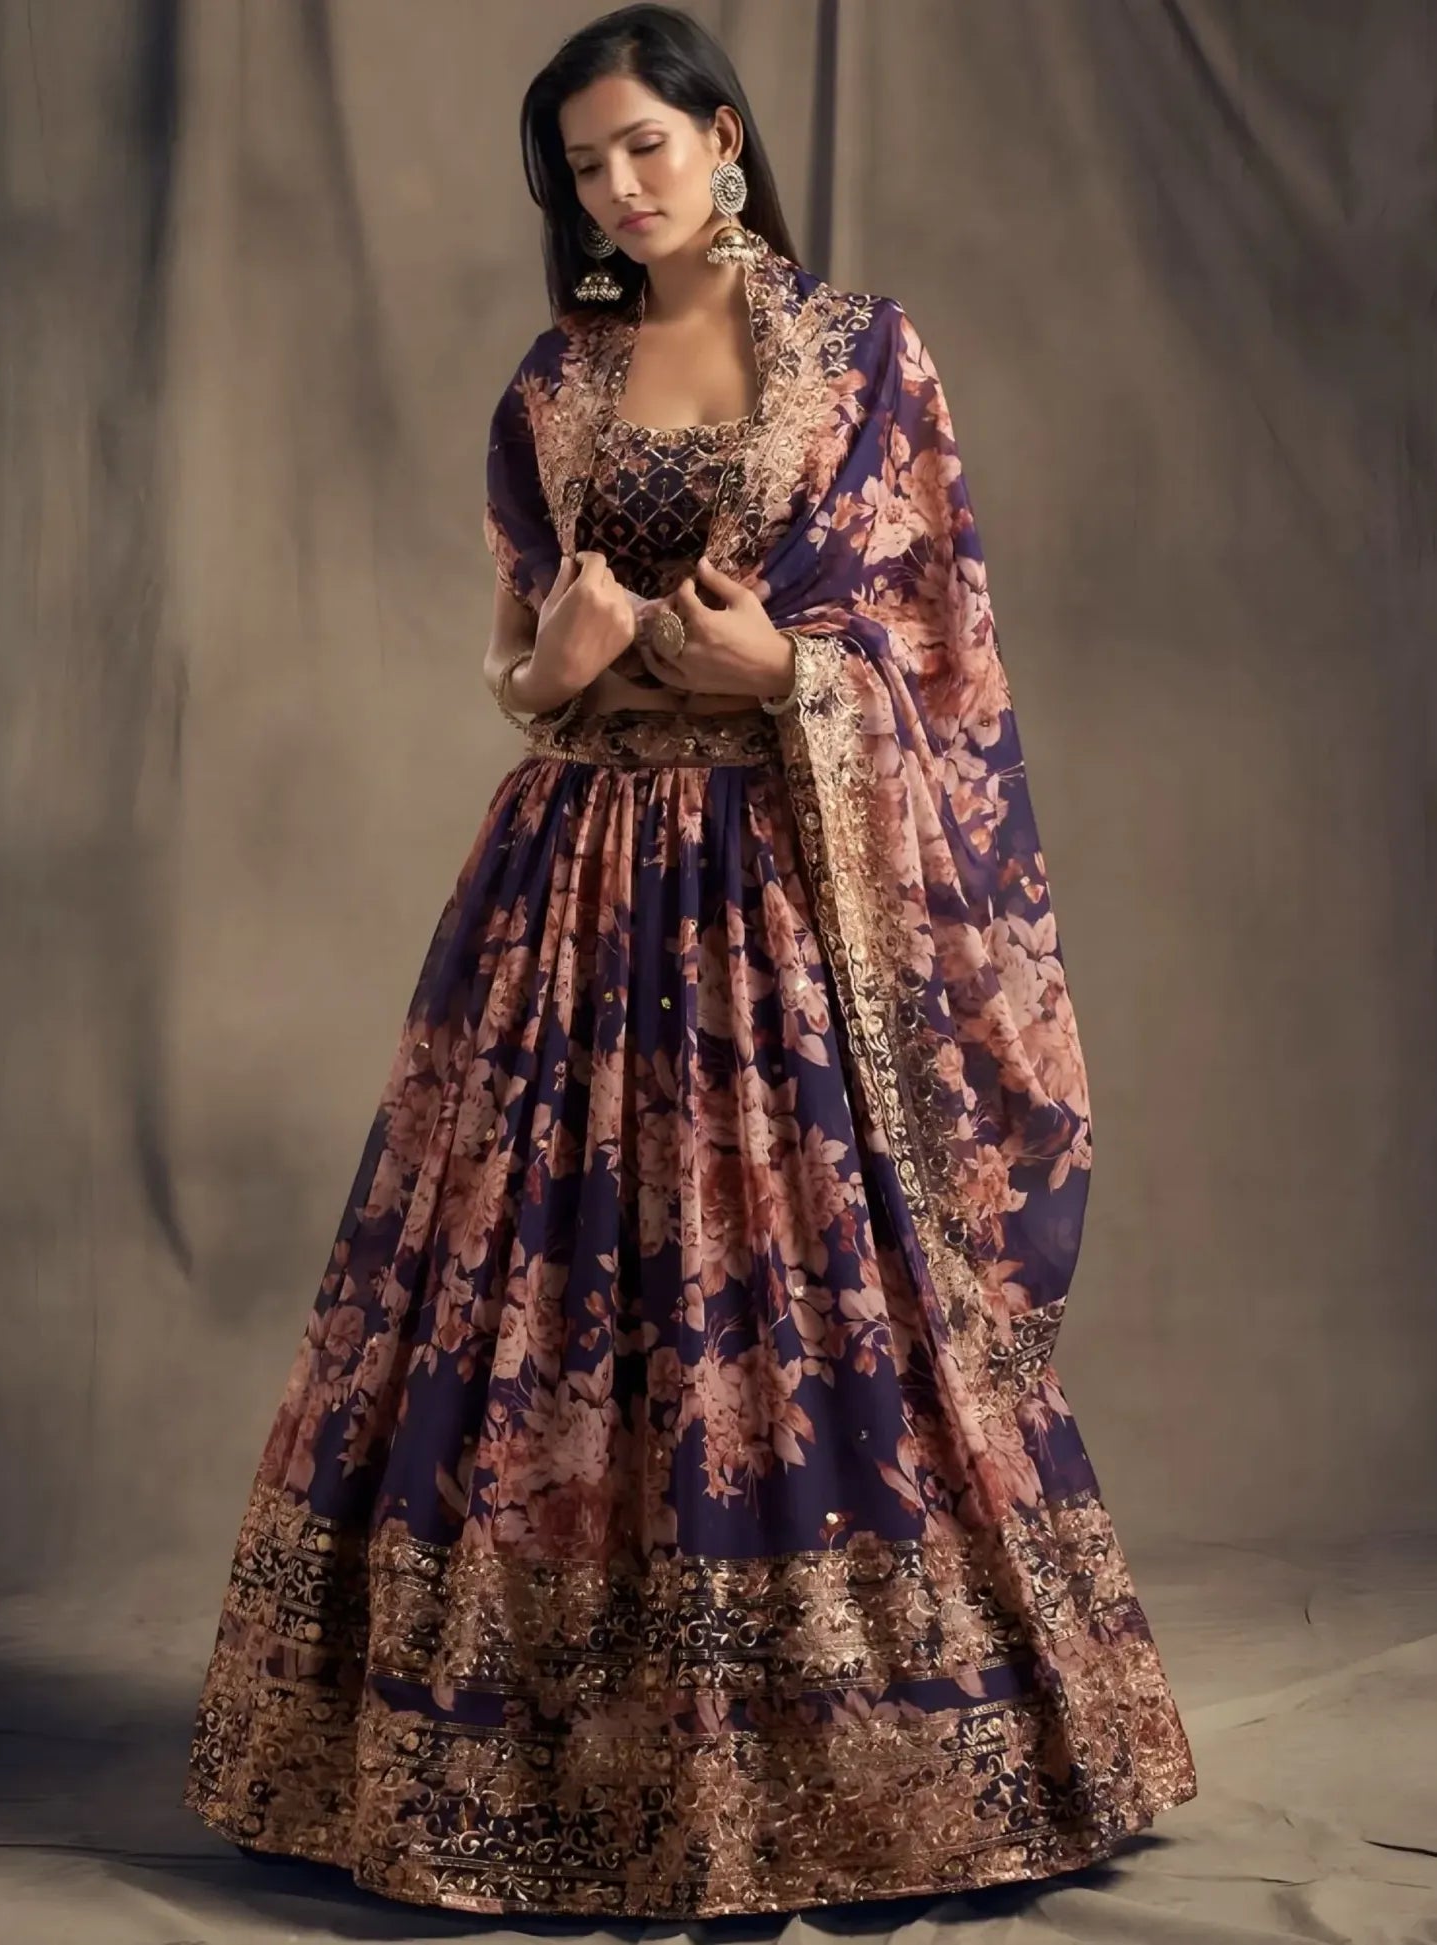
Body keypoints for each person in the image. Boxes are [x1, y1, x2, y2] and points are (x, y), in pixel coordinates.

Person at [183, 2, 1197, 1919]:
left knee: (798, 1306)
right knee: (551, 1300)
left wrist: (788, 672)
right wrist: (553, 674)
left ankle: (875, 1767)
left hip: (789, 904)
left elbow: (943, 642)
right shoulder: (548, 391)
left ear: (725, 139)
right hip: (570, 901)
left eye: (646, 142)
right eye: (583, 163)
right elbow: (517, 670)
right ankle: (523, 1762)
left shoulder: (860, 357)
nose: (619, 185)